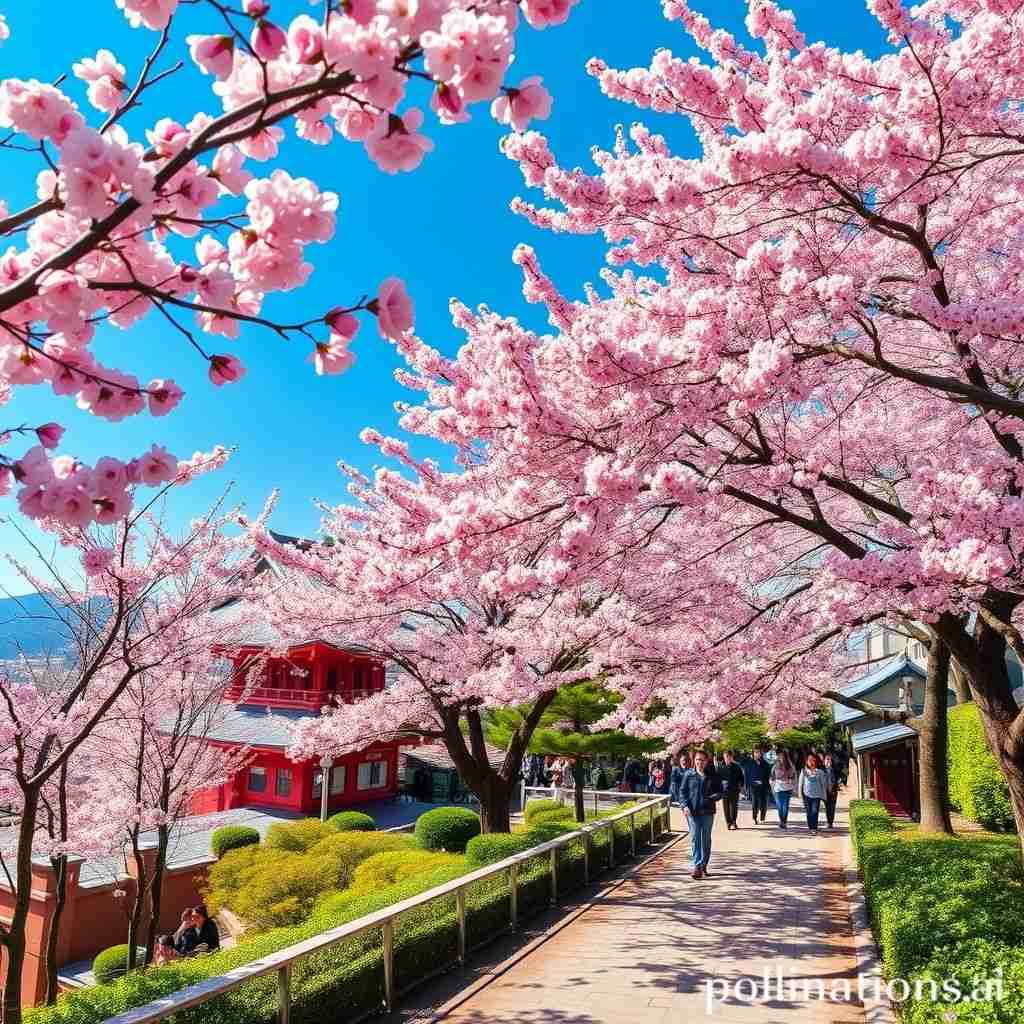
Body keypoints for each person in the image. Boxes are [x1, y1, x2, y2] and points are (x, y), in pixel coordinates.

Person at [679, 749, 723, 879]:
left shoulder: (713, 775)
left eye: (702, 760)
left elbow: (720, 791)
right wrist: (684, 806)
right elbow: (682, 793)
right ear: (694, 761)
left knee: (705, 839)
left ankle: (704, 864)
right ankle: (697, 866)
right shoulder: (689, 774)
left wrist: (714, 797)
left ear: (707, 761)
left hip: (707, 811)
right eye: (697, 760)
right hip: (692, 812)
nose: (699, 762)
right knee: (695, 838)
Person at [798, 754, 829, 834]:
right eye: (809, 760)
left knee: (815, 811)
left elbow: (823, 784)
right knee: (808, 812)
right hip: (806, 795)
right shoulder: (804, 771)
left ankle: (814, 828)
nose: (811, 762)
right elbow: (800, 784)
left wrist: (824, 795)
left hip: (817, 795)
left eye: (813, 760)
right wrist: (800, 795)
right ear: (806, 762)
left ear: (816, 762)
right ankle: (810, 826)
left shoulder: (820, 772)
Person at [770, 750, 796, 828]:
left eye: (782, 756)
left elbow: (793, 776)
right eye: (779, 756)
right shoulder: (775, 765)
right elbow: (772, 776)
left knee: (785, 805)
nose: (781, 757)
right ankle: (782, 821)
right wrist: (772, 784)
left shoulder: (790, 765)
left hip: (787, 788)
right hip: (778, 788)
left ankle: (784, 821)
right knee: (779, 806)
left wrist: (790, 781)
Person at [720, 750, 745, 830]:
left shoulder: (737, 767)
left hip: (734, 790)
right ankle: (728, 822)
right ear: (724, 757)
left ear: (731, 757)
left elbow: (741, 778)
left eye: (728, 757)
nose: (727, 758)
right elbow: (717, 779)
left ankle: (733, 822)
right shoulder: (720, 767)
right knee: (726, 808)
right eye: (725, 757)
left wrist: (741, 787)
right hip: (724, 791)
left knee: (734, 807)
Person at [748, 745, 771, 824]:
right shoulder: (750, 763)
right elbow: (748, 775)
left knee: (763, 802)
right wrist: (750, 783)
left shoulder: (766, 764)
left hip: (764, 786)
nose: (757, 754)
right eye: (756, 752)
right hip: (753, 786)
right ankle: (754, 817)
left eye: (759, 752)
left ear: (761, 754)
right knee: (755, 802)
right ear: (753, 753)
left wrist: (764, 783)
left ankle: (762, 817)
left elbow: (768, 776)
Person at [822, 753, 841, 829]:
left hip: (833, 792)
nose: (828, 761)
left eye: (829, 760)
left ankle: (830, 822)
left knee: (832, 807)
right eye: (827, 759)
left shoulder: (835, 770)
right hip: (825, 791)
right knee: (827, 807)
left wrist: (838, 783)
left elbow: (839, 778)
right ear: (824, 761)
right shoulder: (821, 770)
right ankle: (828, 821)